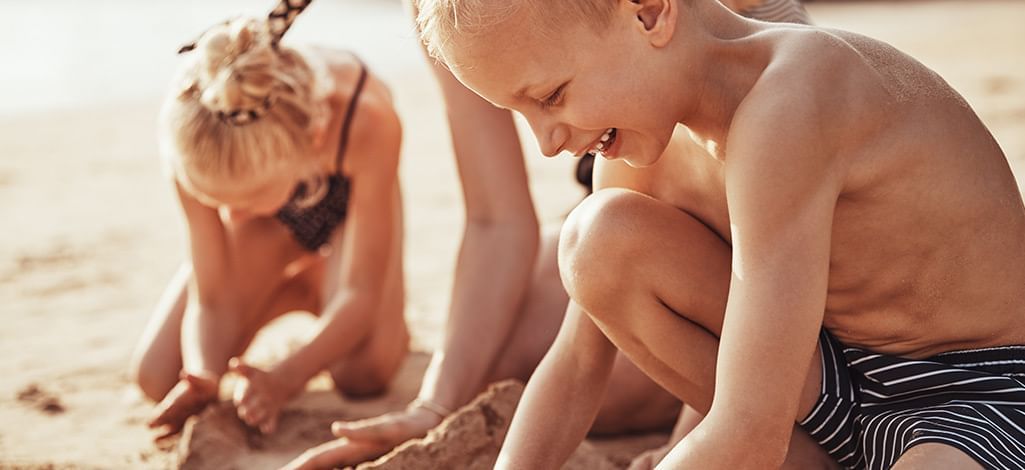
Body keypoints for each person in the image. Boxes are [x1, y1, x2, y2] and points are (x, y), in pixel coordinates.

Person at [416, 0, 1025, 469]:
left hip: (978, 389)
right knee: (596, 239)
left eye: (550, 96)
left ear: (650, 13)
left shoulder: (795, 95)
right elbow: (576, 365)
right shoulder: (638, 156)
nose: (547, 143)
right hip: (824, 388)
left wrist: (738, 445)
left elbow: (747, 427)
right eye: (521, 114)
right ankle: (816, 458)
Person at [285, 1, 813, 469]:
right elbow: (497, 221)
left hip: (742, 186)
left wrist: (691, 438)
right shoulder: (445, 12)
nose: (542, 144)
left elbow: (760, 253)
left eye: (549, 96)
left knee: (671, 368)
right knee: (520, 345)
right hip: (624, 166)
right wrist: (437, 406)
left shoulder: (765, 91)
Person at [129, 0, 408, 440]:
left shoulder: (366, 120)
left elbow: (360, 292)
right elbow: (212, 296)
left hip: (348, 214)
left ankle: (319, 283)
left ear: (312, 142)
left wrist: (287, 377)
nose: (232, 214)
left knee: (363, 373)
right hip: (269, 232)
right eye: (217, 202)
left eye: (249, 198)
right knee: (159, 374)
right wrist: (203, 373)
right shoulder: (193, 133)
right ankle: (293, 290)